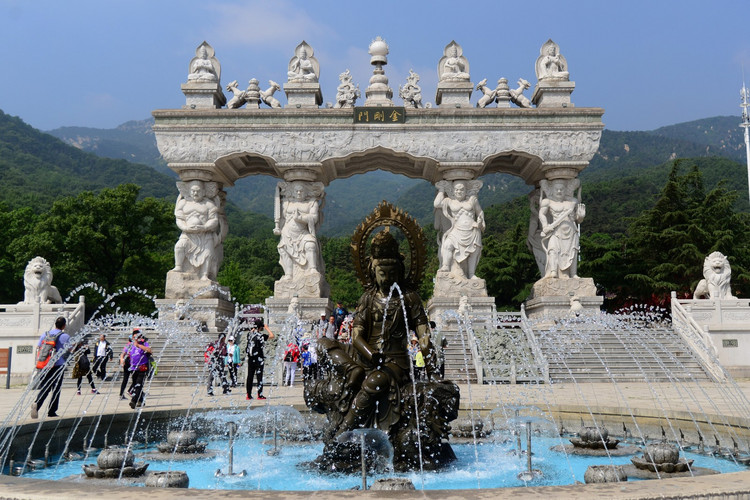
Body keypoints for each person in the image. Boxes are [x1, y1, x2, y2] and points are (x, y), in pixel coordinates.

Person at [318, 230, 436, 435]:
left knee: (376, 380)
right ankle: (351, 370)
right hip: (366, 355)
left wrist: (428, 354)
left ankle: (345, 430)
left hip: (394, 361)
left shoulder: (410, 298)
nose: (388, 279)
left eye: (393, 273)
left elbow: (422, 332)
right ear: (373, 272)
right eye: (383, 273)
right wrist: (371, 355)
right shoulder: (368, 298)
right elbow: (356, 336)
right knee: (323, 343)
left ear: (400, 272)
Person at [434, 180, 485, 280]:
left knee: (473, 252)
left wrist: (480, 221)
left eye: (462, 189)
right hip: (457, 230)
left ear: (466, 190)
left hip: (472, 230)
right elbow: (437, 204)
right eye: (456, 190)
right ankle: (446, 266)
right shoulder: (449, 201)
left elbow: (480, 212)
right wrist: (441, 189)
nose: (459, 192)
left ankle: (471, 274)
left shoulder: (472, 200)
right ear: (453, 191)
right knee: (448, 245)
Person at [274, 181, 325, 281]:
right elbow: (282, 218)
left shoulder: (311, 203)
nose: (298, 193)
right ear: (292, 192)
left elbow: (314, 218)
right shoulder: (287, 202)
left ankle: (312, 269)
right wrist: (278, 227)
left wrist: (301, 218)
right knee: (284, 250)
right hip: (287, 232)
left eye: (301, 191)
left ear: (306, 192)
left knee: (310, 245)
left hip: (303, 232)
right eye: (296, 191)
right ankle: (289, 274)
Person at [538, 178, 585, 279]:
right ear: (552, 190)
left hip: (571, 231)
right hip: (556, 231)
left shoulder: (572, 202)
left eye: (562, 189)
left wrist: (581, 216)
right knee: (553, 249)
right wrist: (545, 226)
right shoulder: (548, 202)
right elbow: (541, 214)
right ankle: (554, 271)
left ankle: (573, 274)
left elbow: (578, 219)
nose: (559, 191)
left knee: (573, 251)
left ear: (566, 190)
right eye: (557, 189)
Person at [173, 180, 220, 280]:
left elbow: (214, 220)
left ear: (203, 191)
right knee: (179, 246)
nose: (195, 193)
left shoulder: (209, 204)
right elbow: (179, 219)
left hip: (205, 234)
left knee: (208, 253)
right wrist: (185, 228)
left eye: (198, 191)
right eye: (193, 191)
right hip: (188, 233)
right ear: (189, 191)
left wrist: (205, 227)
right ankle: (178, 266)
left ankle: (204, 275)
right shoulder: (183, 203)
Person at [31, 316, 71, 419]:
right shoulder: (65, 336)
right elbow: (71, 349)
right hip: (58, 365)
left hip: (45, 365)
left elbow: (39, 347)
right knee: (56, 389)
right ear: (64, 325)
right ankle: (52, 411)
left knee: (45, 387)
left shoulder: (45, 334)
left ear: (55, 324)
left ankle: (37, 404)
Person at [245, 320, 273, 400]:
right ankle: (259, 395)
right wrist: (267, 328)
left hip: (250, 358)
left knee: (250, 376)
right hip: (259, 358)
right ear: (261, 327)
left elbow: (251, 333)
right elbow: (272, 335)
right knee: (259, 377)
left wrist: (253, 329)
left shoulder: (249, 335)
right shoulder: (261, 336)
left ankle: (248, 395)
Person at [128, 332, 152, 409]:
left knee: (138, 385)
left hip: (142, 368)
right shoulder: (130, 345)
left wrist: (139, 345)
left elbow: (149, 351)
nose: (137, 338)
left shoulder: (144, 344)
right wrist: (122, 358)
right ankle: (141, 400)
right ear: (132, 338)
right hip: (133, 368)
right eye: (135, 337)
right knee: (136, 385)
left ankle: (133, 401)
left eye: (138, 337)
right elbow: (124, 352)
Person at [119, 330, 137, 400]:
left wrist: (122, 359)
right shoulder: (130, 345)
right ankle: (130, 391)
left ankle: (122, 394)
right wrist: (121, 359)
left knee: (127, 379)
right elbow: (123, 353)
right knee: (134, 378)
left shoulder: (129, 344)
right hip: (129, 362)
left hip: (130, 362)